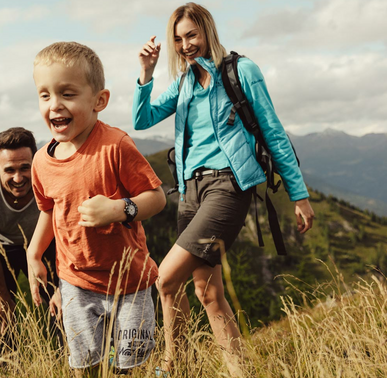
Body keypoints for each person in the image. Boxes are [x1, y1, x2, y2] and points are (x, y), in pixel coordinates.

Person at [132, 3, 315, 376]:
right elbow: (142, 118)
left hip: (227, 187)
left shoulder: (240, 71)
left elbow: (273, 131)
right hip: (189, 192)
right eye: (178, 39)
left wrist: (299, 194)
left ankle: (173, 367)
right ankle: (240, 370)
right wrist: (146, 73)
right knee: (207, 292)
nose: (185, 45)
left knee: (165, 280)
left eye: (192, 35)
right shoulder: (183, 82)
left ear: (208, 32)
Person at [26, 41, 166, 376]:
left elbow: (157, 197)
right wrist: (34, 254)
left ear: (99, 100)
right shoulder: (41, 163)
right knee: (85, 366)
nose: (55, 105)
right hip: (75, 281)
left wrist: (120, 209)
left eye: (67, 93)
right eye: (45, 95)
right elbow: (49, 210)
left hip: (129, 283)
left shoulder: (115, 145)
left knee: (128, 367)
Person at [0, 127, 59, 341]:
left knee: (63, 309)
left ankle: (64, 364)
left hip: (46, 242)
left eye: (25, 168)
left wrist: (63, 290)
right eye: (9, 170)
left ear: (36, 162)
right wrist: (4, 300)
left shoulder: (52, 181)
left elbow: (70, 232)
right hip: (0, 248)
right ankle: (7, 367)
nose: (18, 178)